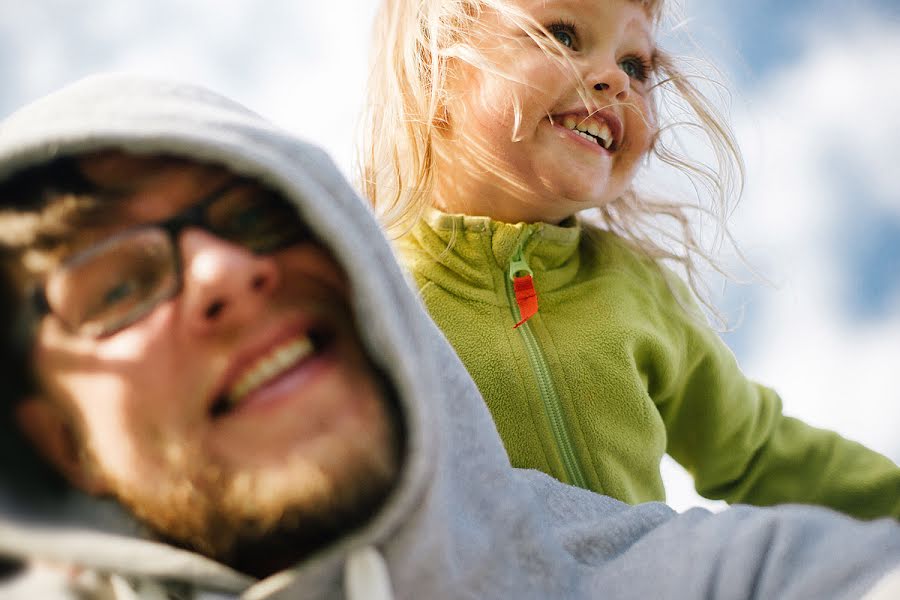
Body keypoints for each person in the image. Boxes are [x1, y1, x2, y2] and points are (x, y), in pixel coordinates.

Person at [0, 74, 899, 600]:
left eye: (263, 222)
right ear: (50, 440)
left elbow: (760, 460)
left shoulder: (671, 571)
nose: (228, 272)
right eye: (117, 286)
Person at [359, 0, 900, 518]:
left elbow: (759, 451)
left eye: (635, 65)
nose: (615, 80)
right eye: (564, 34)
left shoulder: (637, 290)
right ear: (435, 67)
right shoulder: (371, 296)